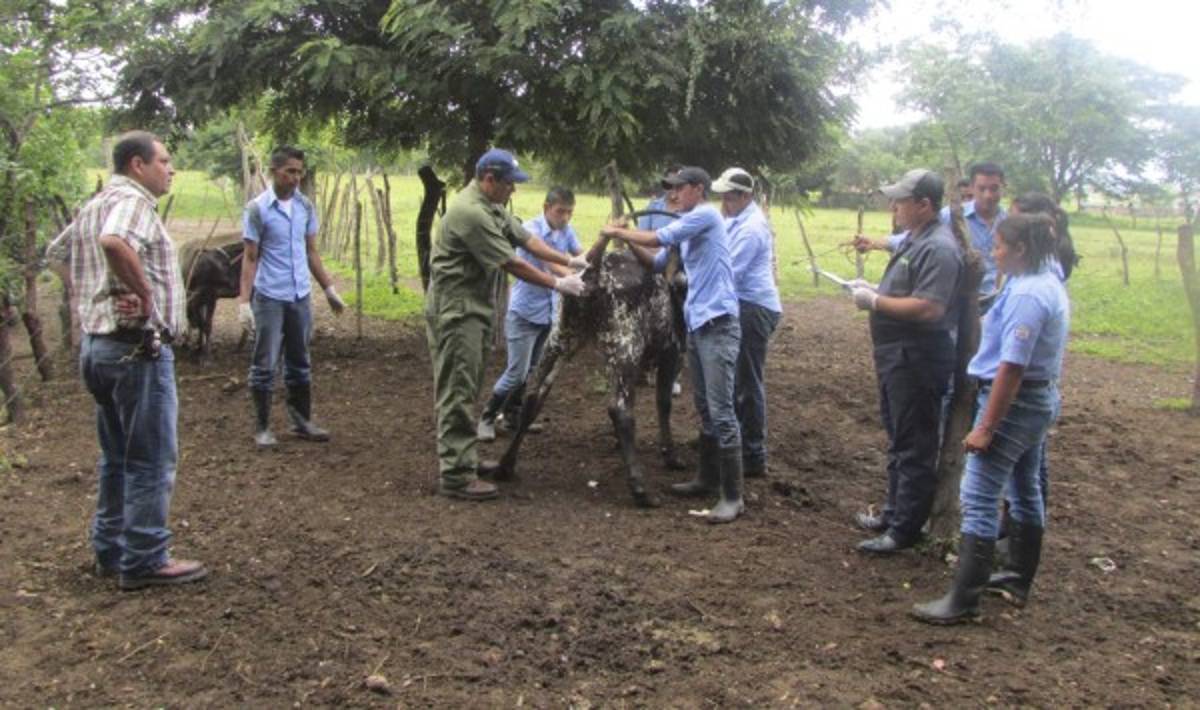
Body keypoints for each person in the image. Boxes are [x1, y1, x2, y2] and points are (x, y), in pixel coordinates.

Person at [47, 131, 207, 590]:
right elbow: (116, 244)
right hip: (136, 349)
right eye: (164, 160)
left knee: (116, 455)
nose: (171, 169)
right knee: (151, 458)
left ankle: (110, 548)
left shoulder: (96, 202)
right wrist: (142, 294)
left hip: (99, 347)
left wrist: (94, 298)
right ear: (138, 165)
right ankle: (144, 557)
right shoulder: (133, 202)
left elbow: (57, 254)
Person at [911, 213, 1069, 624]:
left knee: (979, 493)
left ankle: (964, 598)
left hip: (1015, 404)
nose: (992, 252)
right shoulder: (1042, 278)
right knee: (1025, 485)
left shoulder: (1028, 296)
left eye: (998, 246)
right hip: (1039, 397)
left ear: (1020, 249)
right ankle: (1017, 577)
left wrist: (985, 427)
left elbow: (1011, 369)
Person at [427, 148, 587, 501]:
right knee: (457, 388)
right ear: (489, 179)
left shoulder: (491, 206)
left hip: (474, 307)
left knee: (468, 384)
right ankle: (455, 475)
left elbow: (526, 239)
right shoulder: (471, 213)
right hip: (456, 309)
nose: (513, 190)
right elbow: (511, 262)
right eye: (509, 184)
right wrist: (558, 283)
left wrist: (570, 260)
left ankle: (464, 459)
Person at [602, 166, 744, 523]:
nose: (673, 196)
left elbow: (659, 238)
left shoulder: (706, 216)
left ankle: (733, 497)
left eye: (678, 190)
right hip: (699, 324)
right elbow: (655, 261)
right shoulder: (689, 226)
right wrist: (627, 240)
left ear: (698, 189)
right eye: (670, 191)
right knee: (705, 407)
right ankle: (706, 478)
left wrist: (616, 229)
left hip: (718, 323)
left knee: (722, 410)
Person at [850, 168, 964, 554]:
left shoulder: (939, 248)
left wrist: (877, 301)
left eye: (900, 200)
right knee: (899, 436)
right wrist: (876, 290)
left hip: (917, 359)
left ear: (924, 205)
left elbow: (930, 307)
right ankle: (893, 511)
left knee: (914, 442)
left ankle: (905, 529)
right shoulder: (915, 239)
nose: (894, 206)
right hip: (896, 355)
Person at [238, 146, 345, 448]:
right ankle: (262, 427)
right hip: (270, 295)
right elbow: (250, 257)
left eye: (300, 172)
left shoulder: (305, 208)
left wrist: (329, 289)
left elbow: (311, 251)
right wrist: (244, 302)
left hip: (300, 295)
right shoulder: (257, 210)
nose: (296, 178)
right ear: (274, 171)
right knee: (265, 362)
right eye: (290, 172)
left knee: (300, 360)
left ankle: (302, 421)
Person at [476, 187, 583, 441]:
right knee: (517, 371)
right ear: (546, 208)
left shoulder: (567, 231)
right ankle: (487, 417)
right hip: (523, 314)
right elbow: (550, 263)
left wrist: (595, 260)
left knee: (532, 369)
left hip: (548, 314)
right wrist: (572, 277)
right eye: (560, 211)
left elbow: (581, 255)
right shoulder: (532, 230)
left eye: (569, 212)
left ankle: (513, 416)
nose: (565, 217)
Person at [711, 167, 782, 478]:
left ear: (745, 196)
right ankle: (741, 443)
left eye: (729, 196)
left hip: (753, 307)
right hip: (743, 303)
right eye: (723, 196)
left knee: (747, 380)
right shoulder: (734, 220)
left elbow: (729, 270)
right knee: (739, 379)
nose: (724, 201)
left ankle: (754, 453)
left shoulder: (751, 228)